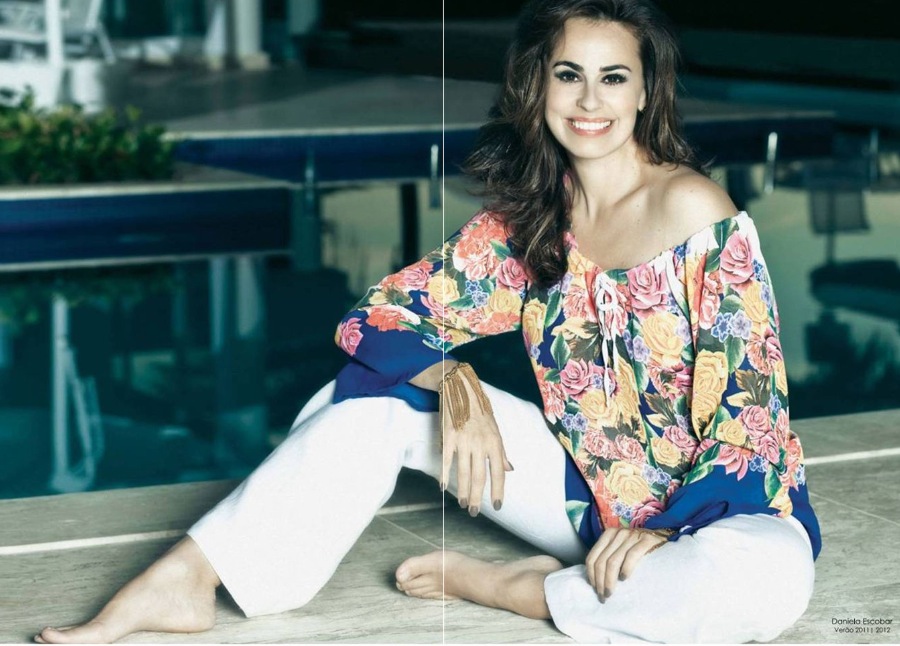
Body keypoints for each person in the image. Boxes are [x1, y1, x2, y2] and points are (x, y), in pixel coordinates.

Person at [34, 0, 822, 643]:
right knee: (372, 404)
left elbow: (751, 405)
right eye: (568, 75)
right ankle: (188, 577)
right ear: (537, 86)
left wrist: (668, 531)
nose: (590, 101)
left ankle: (514, 589)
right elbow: (373, 319)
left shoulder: (693, 209)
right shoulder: (528, 227)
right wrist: (453, 380)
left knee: (754, 591)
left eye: (613, 78)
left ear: (646, 91)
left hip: (728, 513)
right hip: (590, 504)